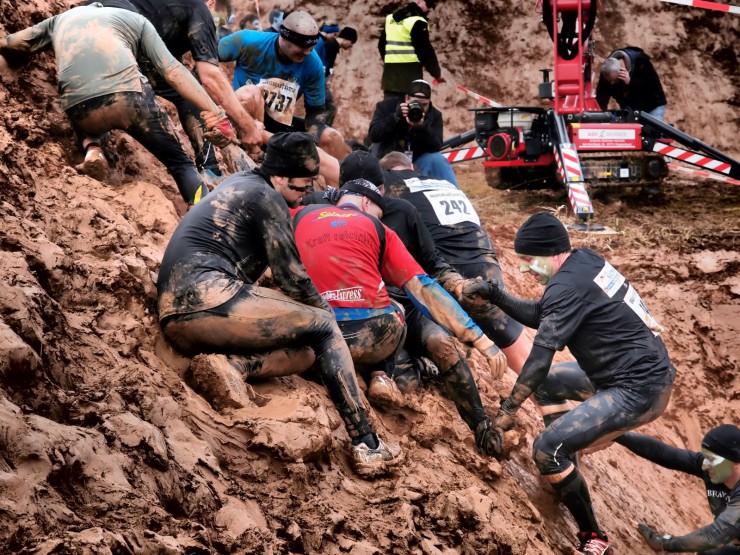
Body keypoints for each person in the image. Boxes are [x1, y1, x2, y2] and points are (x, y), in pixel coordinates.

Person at [156, 132, 402, 477]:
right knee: (324, 326)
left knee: (307, 351)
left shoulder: (242, 181)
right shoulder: (268, 198)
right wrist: (328, 316)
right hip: (207, 297)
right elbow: (294, 280)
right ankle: (367, 443)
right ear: (280, 177)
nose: (304, 196)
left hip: (181, 313)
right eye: (301, 189)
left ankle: (232, 367)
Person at [460, 211, 677, 555]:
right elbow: (542, 314)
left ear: (551, 252)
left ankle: (594, 537)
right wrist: (495, 294)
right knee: (547, 386)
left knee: (547, 448)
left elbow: (538, 359)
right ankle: (566, 466)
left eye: (529, 260)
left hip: (638, 390)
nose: (525, 269)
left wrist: (508, 410)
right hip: (641, 373)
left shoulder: (565, 285)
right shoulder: (583, 262)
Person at [294, 164, 507, 455]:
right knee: (405, 384)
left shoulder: (401, 213)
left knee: (441, 342)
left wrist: (457, 285)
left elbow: (430, 267)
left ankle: (480, 423)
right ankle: (401, 368)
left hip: (405, 307)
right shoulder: (316, 209)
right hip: (370, 317)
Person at [0, 3, 231, 205]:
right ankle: (203, 211)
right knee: (181, 164)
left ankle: (92, 148)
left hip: (81, 109)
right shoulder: (137, 20)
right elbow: (173, 71)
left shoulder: (58, 20)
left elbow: (14, 43)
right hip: (131, 101)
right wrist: (214, 111)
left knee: (89, 115)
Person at [380, 152, 536, 377]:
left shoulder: (391, 183)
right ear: (412, 167)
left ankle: (421, 364)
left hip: (451, 270)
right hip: (486, 264)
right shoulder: (444, 184)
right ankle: (555, 400)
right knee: (517, 349)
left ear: (386, 170)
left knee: (418, 311)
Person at [89, 0, 264, 180]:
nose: (214, 30)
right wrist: (248, 127)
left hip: (86, 24)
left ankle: (92, 147)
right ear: (210, 3)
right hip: (120, 28)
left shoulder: (170, 14)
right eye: (216, 22)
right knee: (187, 96)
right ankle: (210, 171)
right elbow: (209, 76)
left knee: (104, 93)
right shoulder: (199, 8)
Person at [218, 11, 351, 162]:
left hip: (277, 127)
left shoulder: (313, 64)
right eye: (302, 47)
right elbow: (206, 59)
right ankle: (253, 154)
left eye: (311, 48)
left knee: (333, 138)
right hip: (243, 118)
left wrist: (311, 140)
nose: (307, 53)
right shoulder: (248, 41)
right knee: (250, 93)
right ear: (284, 37)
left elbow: (316, 112)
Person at [618, 424, 740, 553]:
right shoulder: (717, 470)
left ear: (736, 460)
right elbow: (663, 453)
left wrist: (663, 543)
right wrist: (616, 435)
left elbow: (713, 536)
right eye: (705, 457)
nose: (705, 466)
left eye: (712, 459)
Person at [369, 79, 457, 184]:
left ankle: (454, 196)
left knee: (437, 159)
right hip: (390, 160)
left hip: (417, 162)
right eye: (415, 103)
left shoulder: (434, 114)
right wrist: (395, 118)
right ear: (406, 99)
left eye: (424, 105)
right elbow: (374, 135)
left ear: (429, 102)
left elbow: (436, 146)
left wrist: (421, 127)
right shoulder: (387, 107)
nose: (419, 108)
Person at [378, 0, 445, 98]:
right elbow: (425, 51)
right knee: (410, 111)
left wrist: (390, 63)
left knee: (389, 111)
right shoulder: (417, 21)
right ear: (420, 2)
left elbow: (381, 45)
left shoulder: (390, 19)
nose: (429, 10)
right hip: (410, 77)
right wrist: (437, 74)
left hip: (390, 78)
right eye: (429, 5)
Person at [596, 46, 667, 121]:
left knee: (652, 131)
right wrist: (600, 116)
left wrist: (631, 82)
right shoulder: (608, 70)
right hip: (630, 107)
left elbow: (651, 90)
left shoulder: (641, 62)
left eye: (614, 80)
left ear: (621, 71)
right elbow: (601, 97)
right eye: (609, 81)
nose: (611, 83)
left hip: (652, 106)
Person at [315, 24, 358, 126]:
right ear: (346, 39)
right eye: (351, 42)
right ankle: (323, 131)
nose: (351, 45)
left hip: (319, 80)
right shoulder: (331, 45)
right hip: (318, 81)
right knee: (331, 108)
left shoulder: (332, 45)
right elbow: (323, 63)